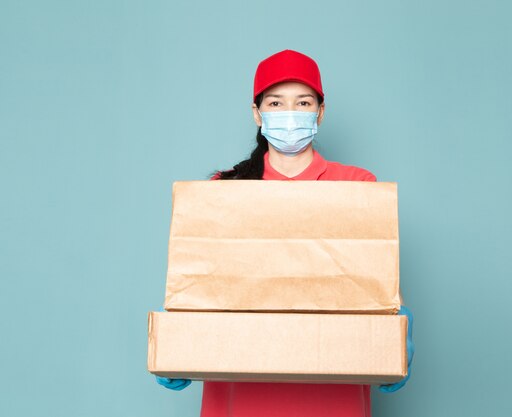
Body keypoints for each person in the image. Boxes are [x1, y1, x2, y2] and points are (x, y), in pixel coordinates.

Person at [156, 49, 414, 417]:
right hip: (241, 392)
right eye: (276, 102)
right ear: (257, 112)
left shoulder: (357, 185)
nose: (289, 113)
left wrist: (398, 324)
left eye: (303, 102)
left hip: (331, 392)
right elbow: (200, 282)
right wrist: (179, 337)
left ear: (320, 112)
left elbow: (376, 281)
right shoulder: (222, 190)